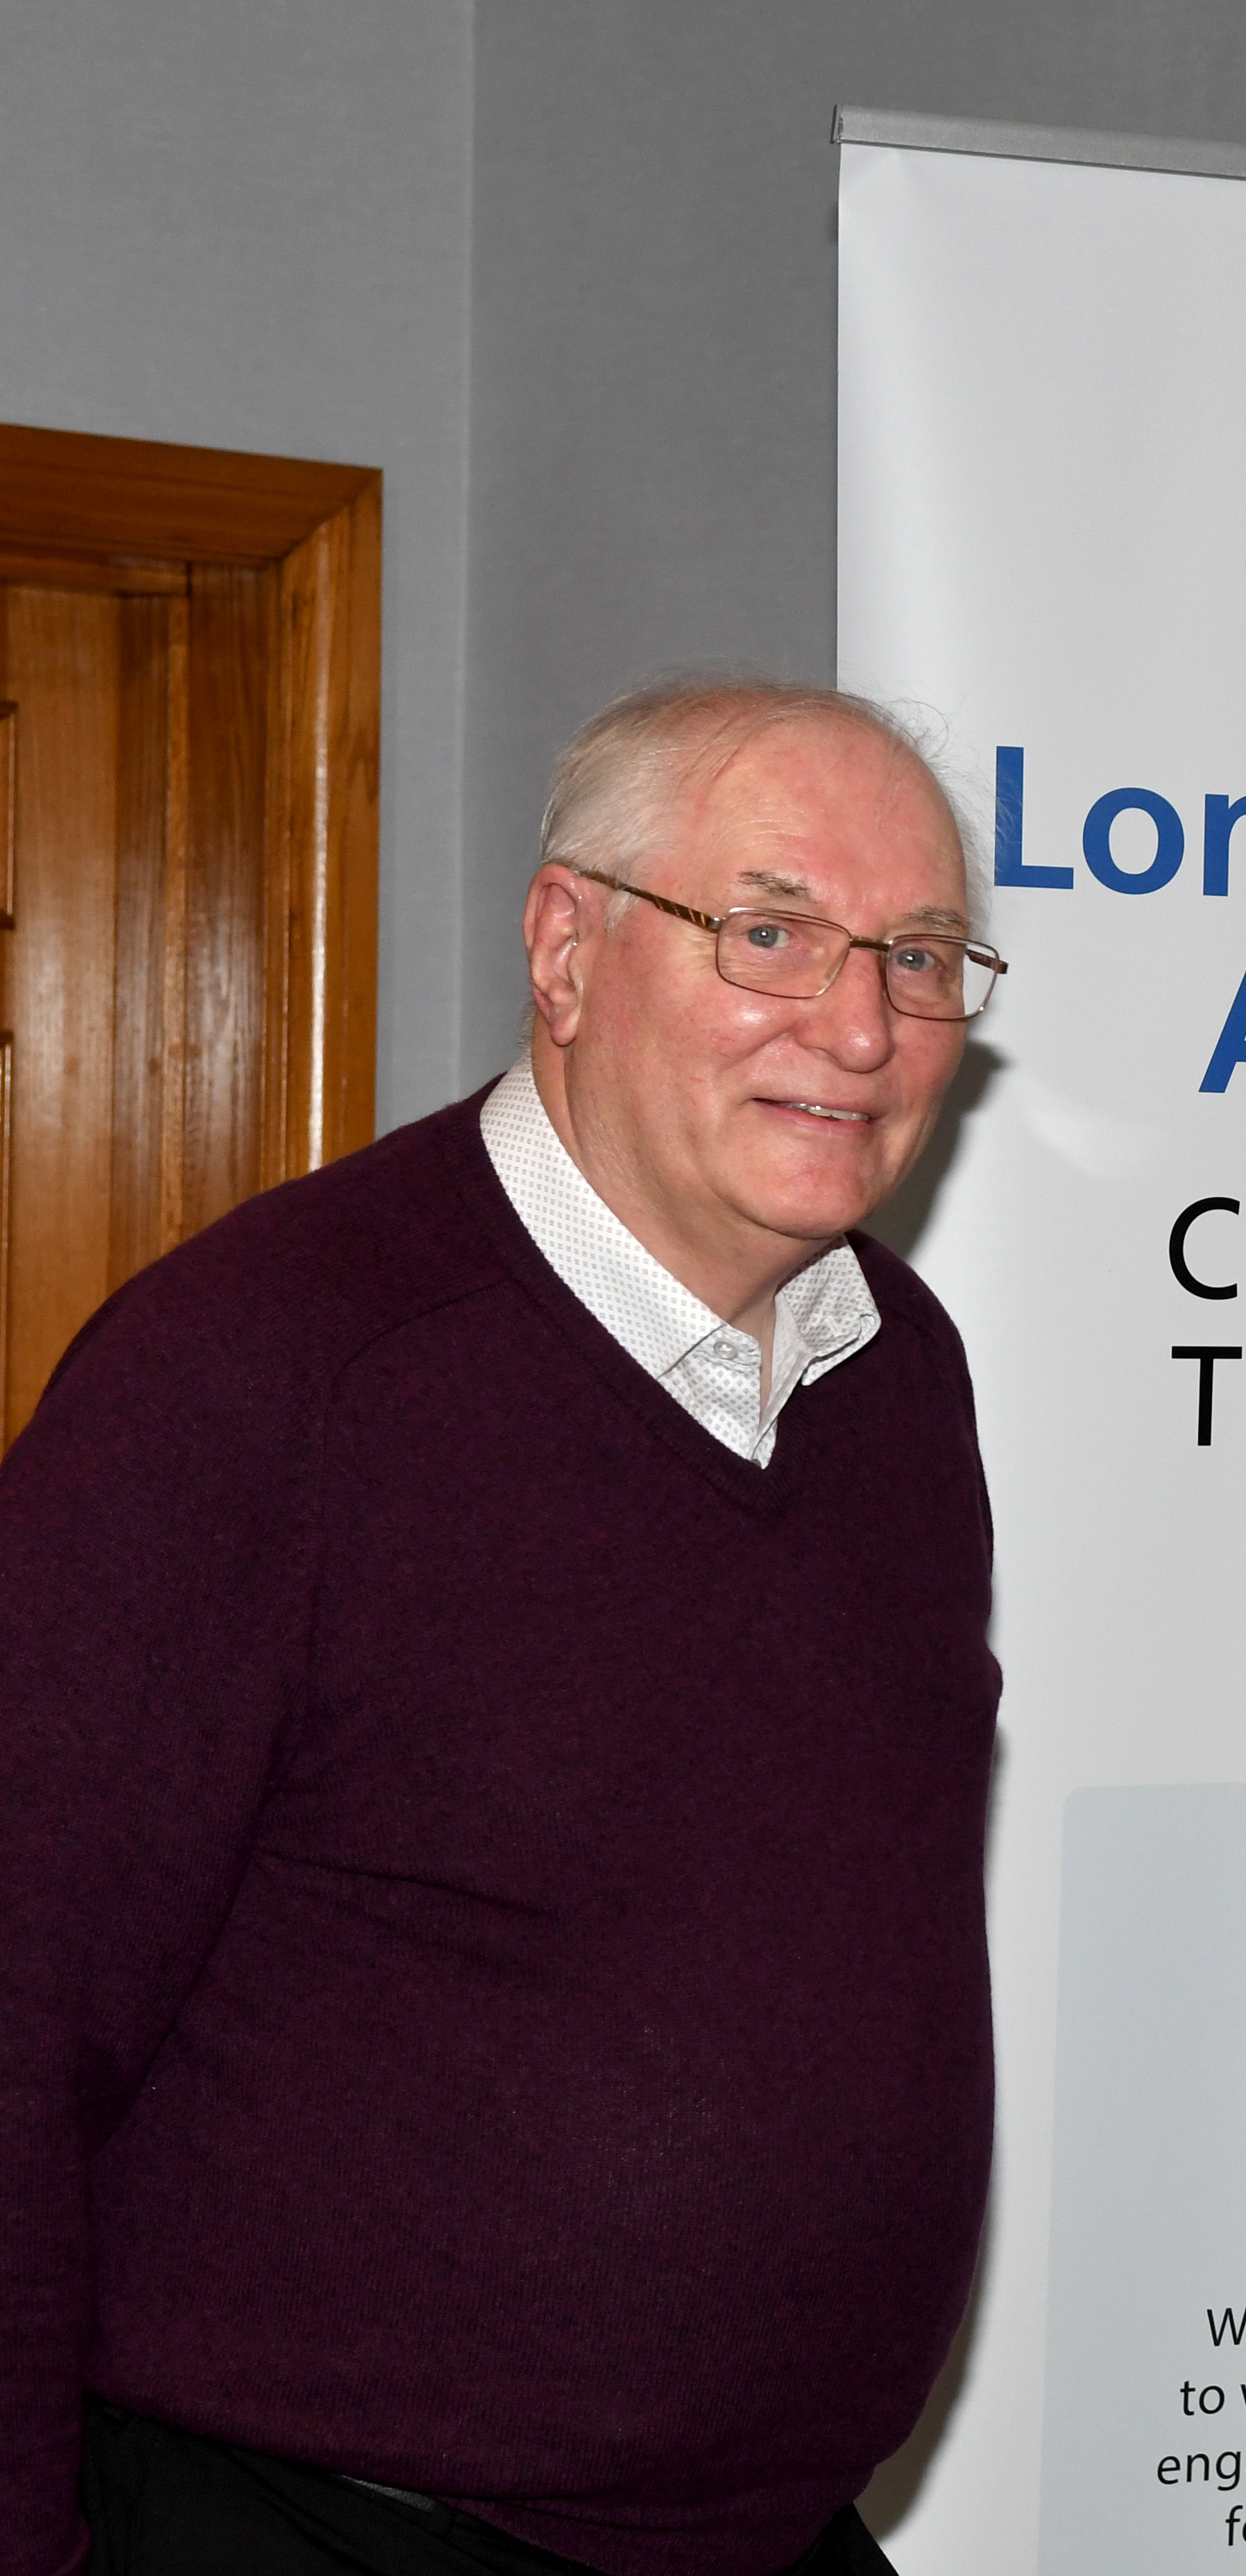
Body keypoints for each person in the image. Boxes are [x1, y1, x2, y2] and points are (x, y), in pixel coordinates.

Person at [0, 679, 1014, 2576]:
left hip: (766, 2534)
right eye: (771, 932)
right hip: (312, 2525)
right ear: (568, 949)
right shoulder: (265, 1377)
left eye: (924, 955)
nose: (861, 1025)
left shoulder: (900, 1376)